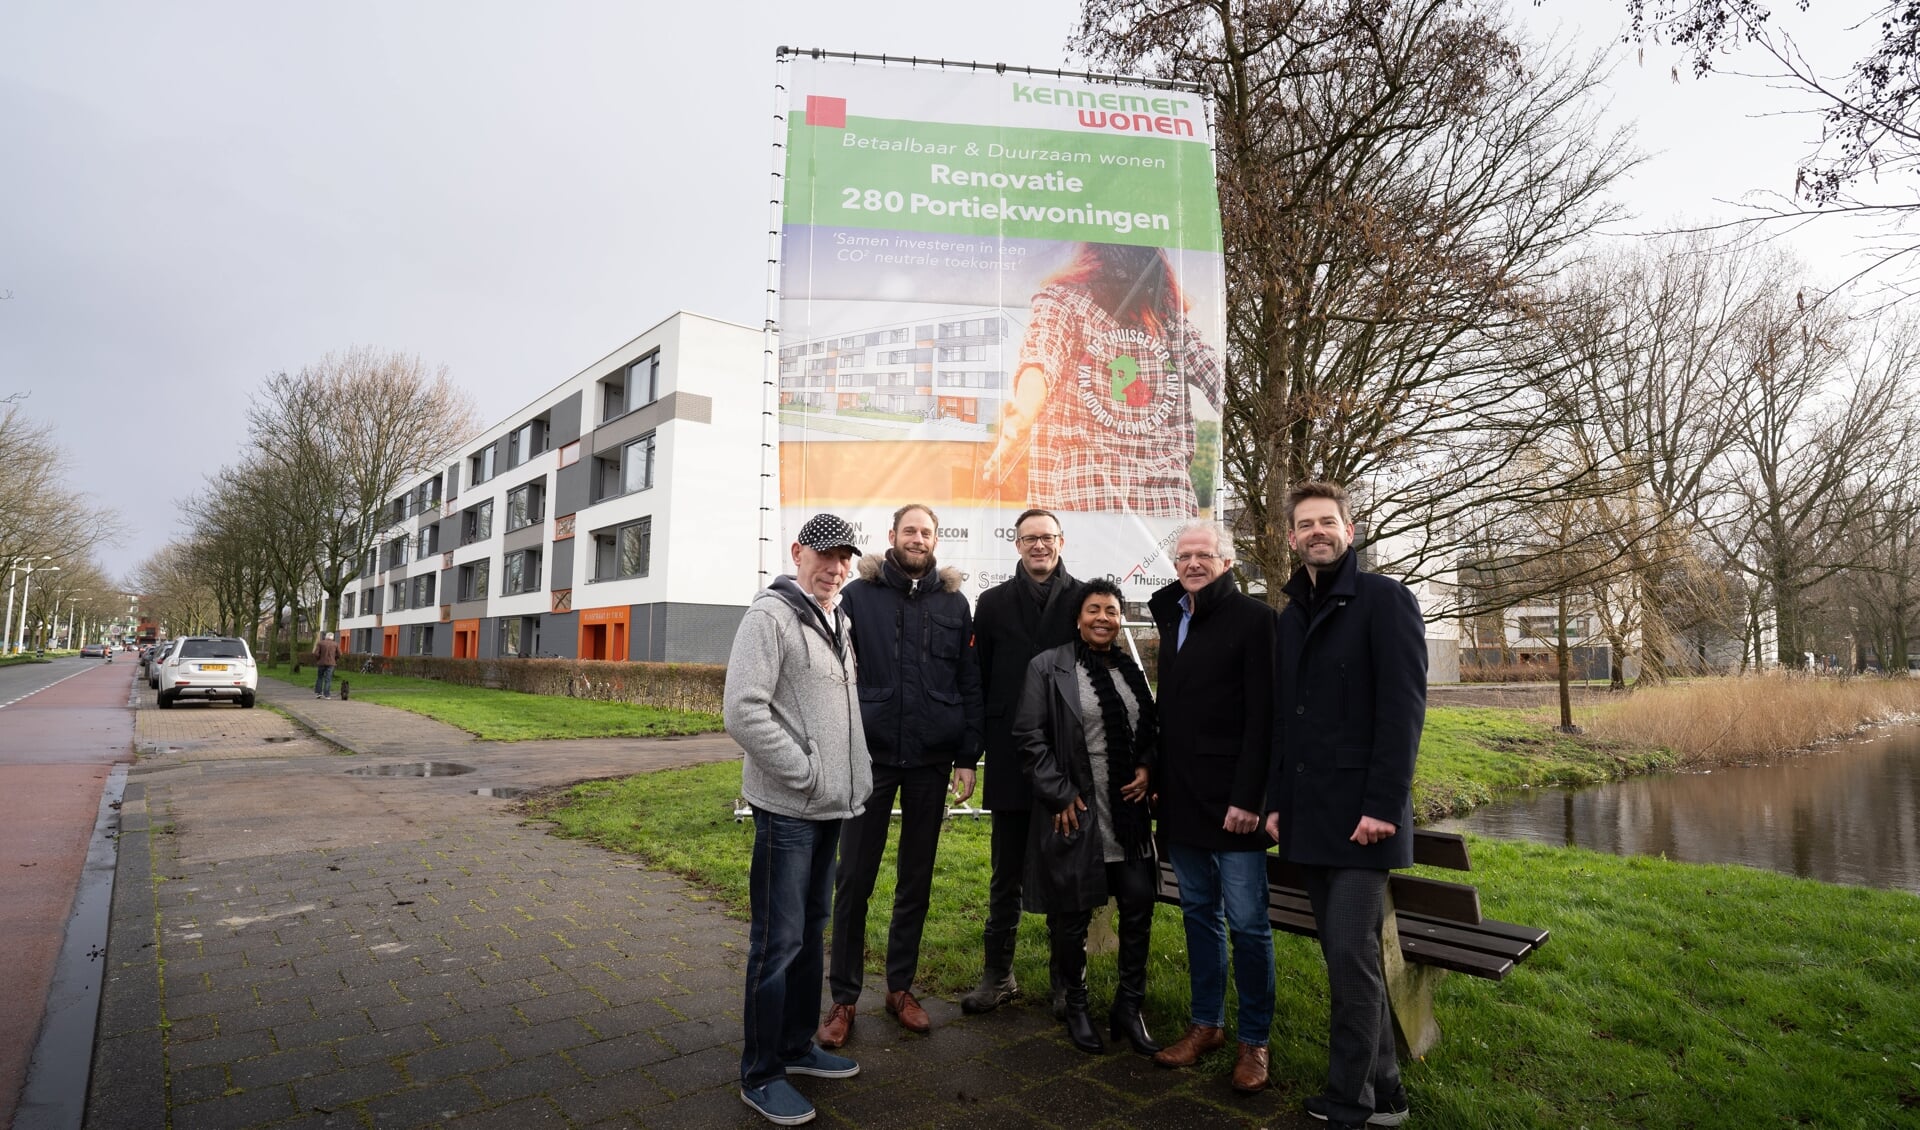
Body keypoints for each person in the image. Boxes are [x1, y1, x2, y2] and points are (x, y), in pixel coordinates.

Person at [1264, 482, 1425, 1130]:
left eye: (1327, 522)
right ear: (1292, 537)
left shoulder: (1385, 601)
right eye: (1305, 524)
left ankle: (1348, 1103)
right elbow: (1287, 720)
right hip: (1310, 817)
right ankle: (1385, 1093)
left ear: (1350, 531)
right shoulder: (1291, 615)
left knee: (1352, 961)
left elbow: (1403, 711)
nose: (1317, 532)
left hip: (1364, 821)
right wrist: (1277, 802)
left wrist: (1384, 804)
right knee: (1345, 957)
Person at [723, 513, 874, 1126]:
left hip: (831, 805)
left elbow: (844, 706)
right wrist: (805, 771)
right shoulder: (769, 617)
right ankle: (760, 1074)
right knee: (777, 941)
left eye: (844, 560)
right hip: (789, 807)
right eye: (825, 557)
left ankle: (795, 1047)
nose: (835, 569)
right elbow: (742, 710)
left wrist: (850, 773)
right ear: (798, 554)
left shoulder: (837, 617)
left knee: (812, 930)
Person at [817, 504, 983, 1046]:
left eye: (926, 532)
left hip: (932, 760)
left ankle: (900, 989)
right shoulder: (859, 598)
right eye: (909, 530)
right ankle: (843, 1000)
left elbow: (969, 682)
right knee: (854, 880)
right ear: (892, 537)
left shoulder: (955, 604)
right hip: (871, 758)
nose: (917, 539)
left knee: (916, 879)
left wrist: (966, 757)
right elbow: (835, 677)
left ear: (936, 541)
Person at [1146, 519, 1279, 1092]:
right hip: (1181, 800)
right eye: (1183, 556)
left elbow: (1265, 717)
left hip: (1234, 805)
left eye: (1203, 555)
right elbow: (1168, 709)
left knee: (1248, 925)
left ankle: (1255, 1041)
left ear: (1226, 562)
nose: (1192, 563)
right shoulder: (1174, 615)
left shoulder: (1256, 620)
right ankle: (1207, 1025)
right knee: (1199, 915)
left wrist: (1249, 797)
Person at [1012, 579, 1161, 1056]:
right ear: (1078, 617)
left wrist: (1146, 766)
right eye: (1094, 609)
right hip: (1076, 813)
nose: (1103, 617)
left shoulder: (1129, 669)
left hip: (1128, 817)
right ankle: (1076, 1007)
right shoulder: (1049, 666)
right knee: (1072, 917)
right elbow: (1028, 736)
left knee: (1139, 906)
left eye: (1112, 611)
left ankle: (1128, 1008)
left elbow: (1151, 731)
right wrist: (1058, 794)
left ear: (1121, 618)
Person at [982, 242, 1223, 516]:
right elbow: (1218, 378)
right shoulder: (1167, 320)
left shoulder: (1064, 301)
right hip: (1166, 504)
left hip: (1084, 497)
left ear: (1091, 255)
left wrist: (1021, 417)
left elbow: (1040, 359)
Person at [959, 508, 1083, 1016]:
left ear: (1061, 541)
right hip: (1010, 755)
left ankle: (1064, 981)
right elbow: (976, 680)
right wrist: (970, 753)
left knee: (1062, 871)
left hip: (1067, 759)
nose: (1038, 546)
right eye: (1029, 538)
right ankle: (998, 975)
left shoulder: (1083, 598)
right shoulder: (989, 603)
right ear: (1015, 545)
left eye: (1047, 537)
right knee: (1005, 870)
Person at [314, 631, 340, 699]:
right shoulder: (335, 644)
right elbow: (339, 654)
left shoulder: (320, 643)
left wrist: (318, 659)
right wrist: (335, 659)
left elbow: (316, 653)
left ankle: (318, 693)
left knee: (320, 678)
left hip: (321, 663)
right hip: (331, 663)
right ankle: (327, 694)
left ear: (326, 637)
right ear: (332, 638)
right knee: (328, 679)